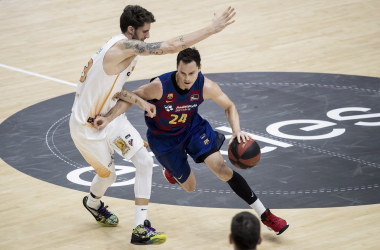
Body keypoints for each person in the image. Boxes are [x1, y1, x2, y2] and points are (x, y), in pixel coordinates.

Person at [69, 5, 236, 245]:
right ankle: (93, 203)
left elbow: (116, 91)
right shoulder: (122, 47)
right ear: (131, 30)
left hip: (109, 118)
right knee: (109, 177)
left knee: (145, 162)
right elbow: (169, 47)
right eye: (145, 31)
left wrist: (140, 102)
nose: (148, 37)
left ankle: (139, 228)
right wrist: (212, 29)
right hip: (86, 129)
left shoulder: (122, 50)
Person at [95, 48, 289, 236]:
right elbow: (127, 95)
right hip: (164, 140)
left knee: (222, 170)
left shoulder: (206, 86)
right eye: (182, 73)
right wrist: (109, 118)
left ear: (200, 68)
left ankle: (266, 215)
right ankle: (170, 170)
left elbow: (229, 106)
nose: (187, 78)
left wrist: (236, 132)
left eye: (192, 73)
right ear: (176, 68)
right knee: (190, 187)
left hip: (193, 129)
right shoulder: (159, 86)